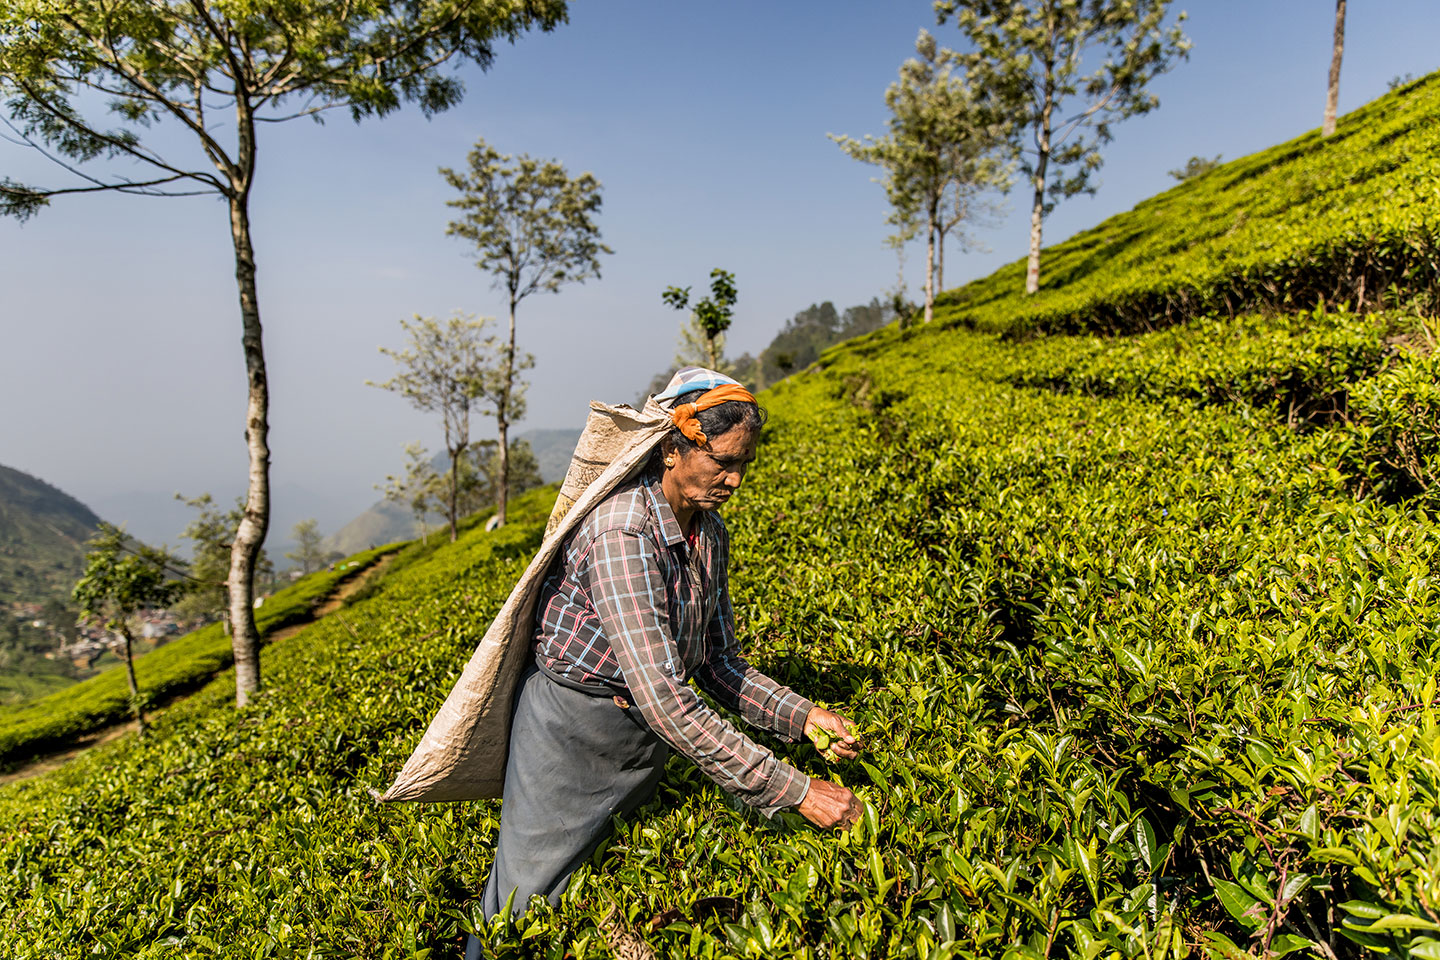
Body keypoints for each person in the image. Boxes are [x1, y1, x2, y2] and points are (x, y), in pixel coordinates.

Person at [475, 372, 862, 931]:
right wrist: (794, 790)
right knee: (522, 902)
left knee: (605, 880)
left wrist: (803, 717)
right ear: (671, 450)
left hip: (644, 737)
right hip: (572, 734)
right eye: (722, 462)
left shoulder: (709, 532)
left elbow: (716, 661)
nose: (734, 480)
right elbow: (665, 696)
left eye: (744, 464)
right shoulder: (623, 534)